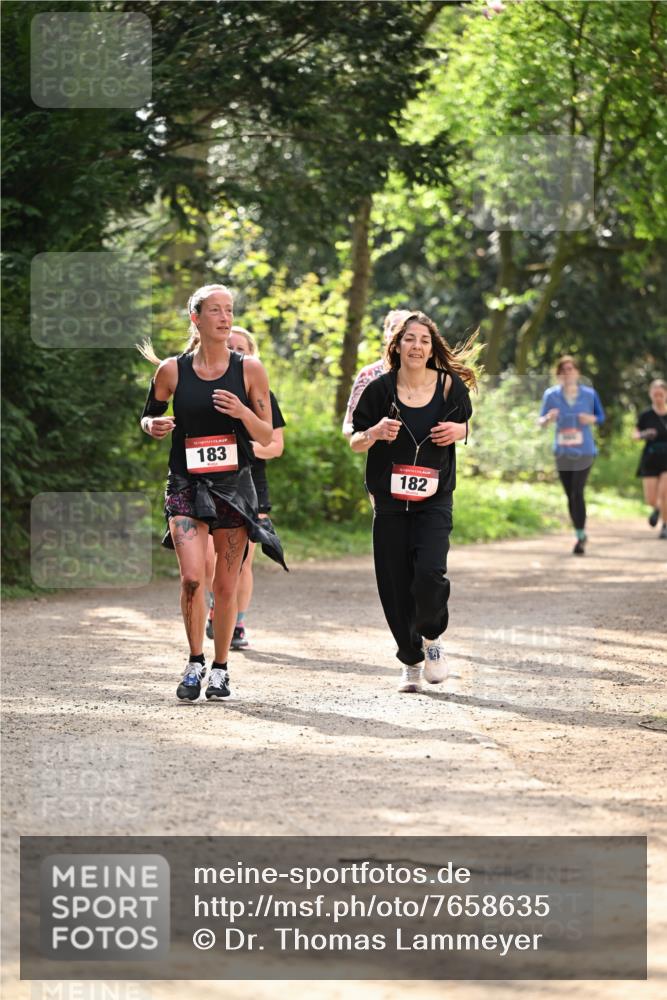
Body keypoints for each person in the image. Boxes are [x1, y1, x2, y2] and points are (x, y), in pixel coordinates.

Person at [138, 284, 286, 701]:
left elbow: (265, 431)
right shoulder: (172, 371)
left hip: (233, 487)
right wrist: (155, 426)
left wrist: (241, 411)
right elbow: (148, 416)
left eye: (229, 310)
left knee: (225, 586)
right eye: (215, 310)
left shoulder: (250, 369)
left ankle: (221, 667)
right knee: (190, 579)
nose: (225, 317)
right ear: (196, 318)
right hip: (185, 482)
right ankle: (194, 661)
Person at [349, 311, 476, 693]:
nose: (416, 345)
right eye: (409, 339)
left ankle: (432, 639)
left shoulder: (450, 388)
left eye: (423, 339)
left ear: (432, 346)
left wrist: (461, 429)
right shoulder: (379, 389)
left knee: (430, 574)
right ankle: (410, 660)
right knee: (394, 582)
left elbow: (467, 425)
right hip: (389, 501)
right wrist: (372, 433)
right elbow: (355, 440)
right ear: (397, 346)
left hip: (434, 498)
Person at [205, 325, 286, 646]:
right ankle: (216, 607)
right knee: (211, 558)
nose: (235, 353)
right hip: (209, 483)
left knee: (243, 560)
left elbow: (275, 446)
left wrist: (239, 447)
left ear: (251, 355)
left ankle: (237, 623)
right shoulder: (203, 389)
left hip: (250, 484)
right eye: (230, 347)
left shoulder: (263, 395)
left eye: (242, 349)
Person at [539, 355, 605, 556]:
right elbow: (540, 421)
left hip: (585, 450)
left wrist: (591, 418)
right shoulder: (551, 395)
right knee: (570, 494)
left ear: (577, 372)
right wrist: (548, 419)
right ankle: (579, 532)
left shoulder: (589, 394)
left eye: (571, 369)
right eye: (564, 369)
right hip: (562, 451)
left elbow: (601, 417)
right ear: (559, 374)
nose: (568, 372)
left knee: (577, 491)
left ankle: (580, 536)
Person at [341, 309, 411, 438]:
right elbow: (348, 427)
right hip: (378, 455)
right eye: (394, 328)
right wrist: (374, 432)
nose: (397, 333)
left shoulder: (431, 376)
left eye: (403, 329)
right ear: (385, 334)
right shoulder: (368, 374)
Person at [633, 378, 667, 539]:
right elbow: (634, 434)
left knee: (664, 493)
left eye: (661, 394)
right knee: (651, 499)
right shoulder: (645, 415)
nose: (658, 398)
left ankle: (665, 525)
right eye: (655, 395)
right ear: (650, 395)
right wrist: (644, 434)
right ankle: (659, 510)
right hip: (650, 458)